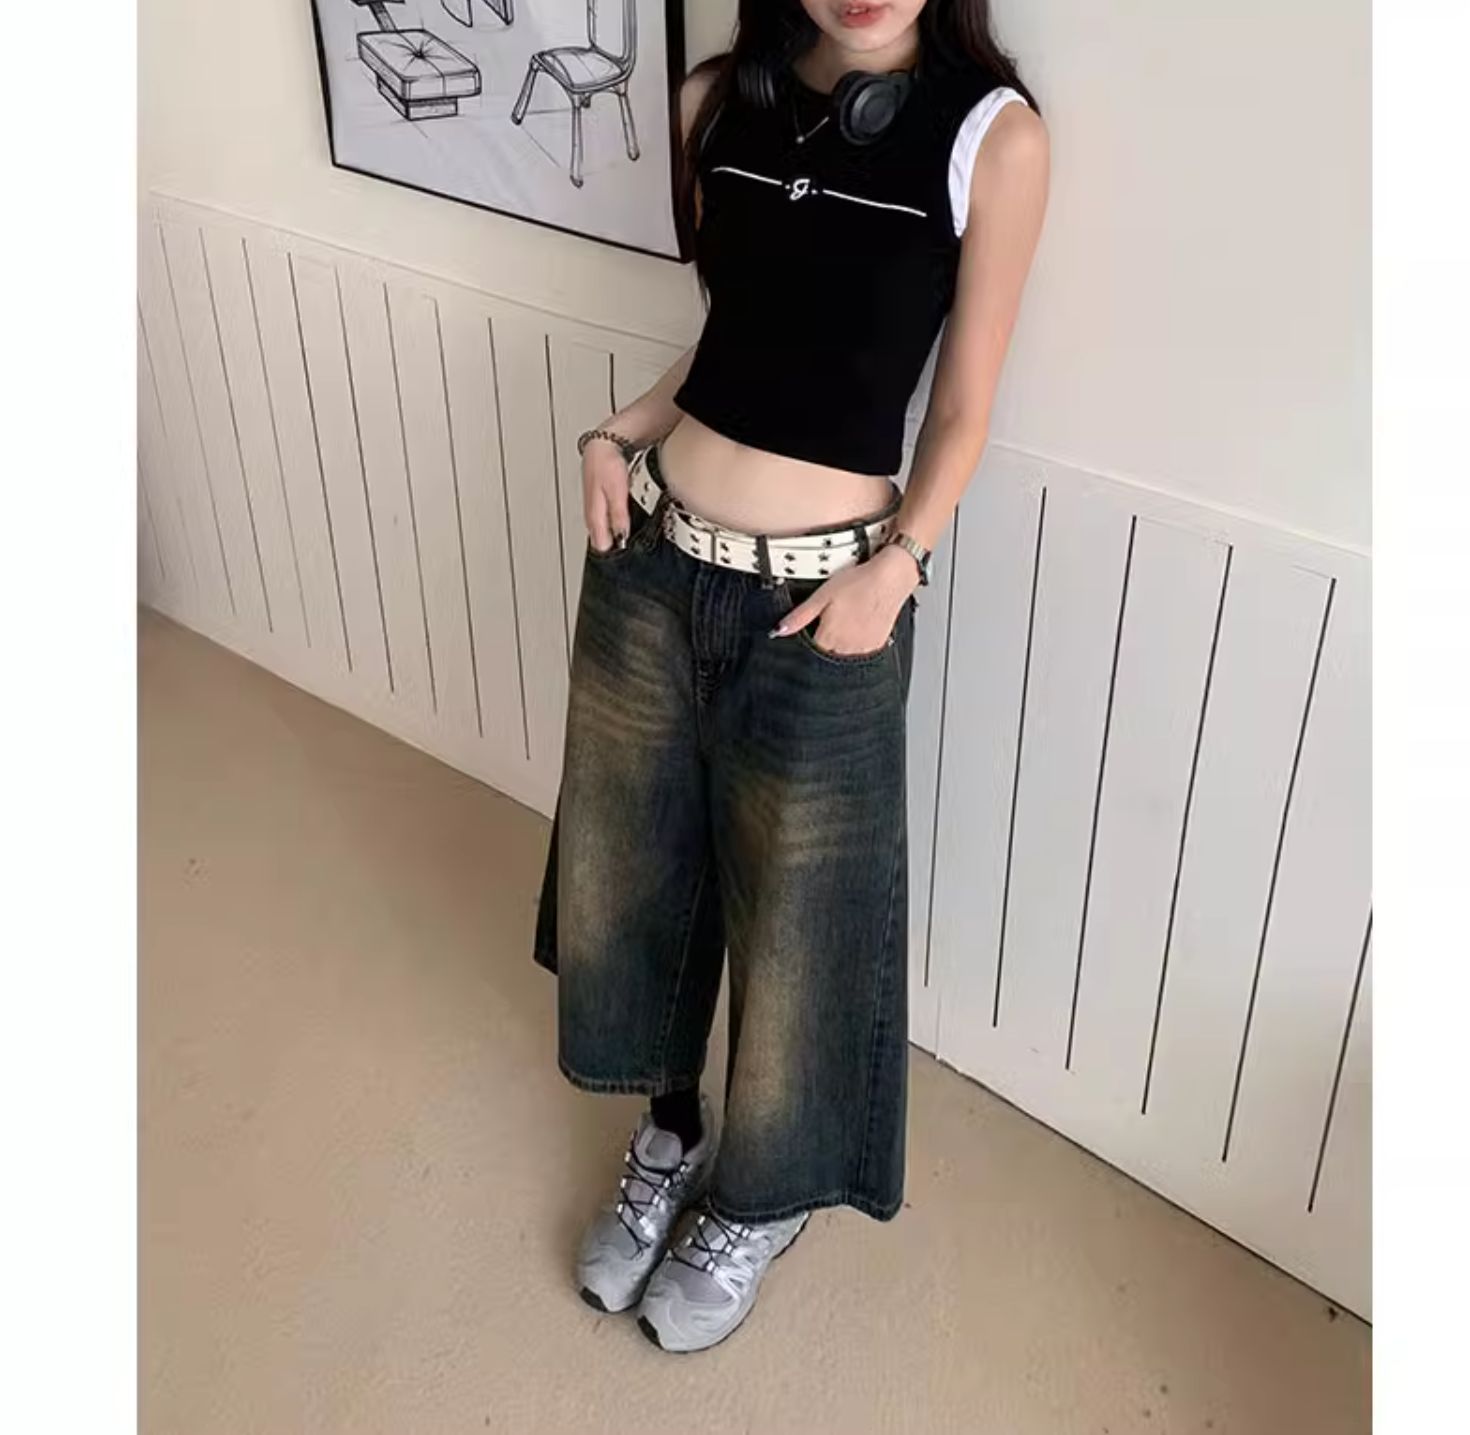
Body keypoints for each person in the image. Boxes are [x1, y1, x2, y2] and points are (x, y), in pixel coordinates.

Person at [532, 0, 1049, 1353]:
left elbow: (963, 404)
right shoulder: (720, 101)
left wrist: (902, 564)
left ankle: (756, 1202)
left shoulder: (991, 138)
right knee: (636, 877)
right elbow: (733, 346)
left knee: (805, 925)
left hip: (825, 600)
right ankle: (669, 1131)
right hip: (654, 560)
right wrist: (612, 433)